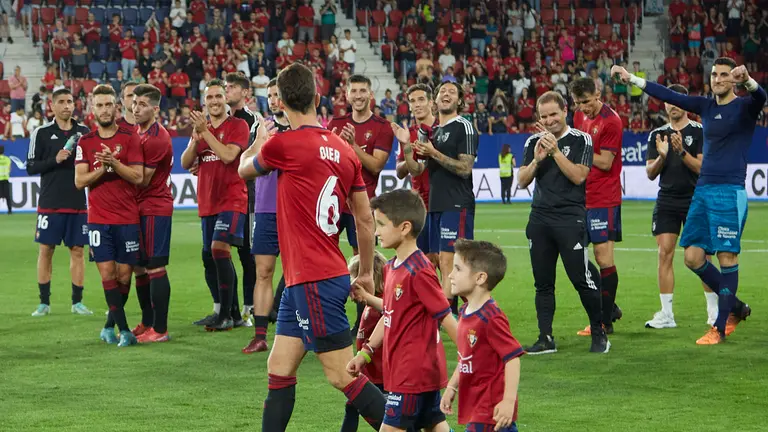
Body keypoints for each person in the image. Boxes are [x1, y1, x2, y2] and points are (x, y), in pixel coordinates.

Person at [238, 63, 386, 432]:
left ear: (281, 103)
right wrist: (367, 272)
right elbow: (364, 219)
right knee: (279, 367)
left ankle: (416, 427)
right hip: (312, 277)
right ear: (317, 99)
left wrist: (256, 142)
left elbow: (243, 170)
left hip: (313, 280)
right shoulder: (343, 149)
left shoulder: (282, 144)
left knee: (342, 375)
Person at [612, 58, 762, 344]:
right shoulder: (706, 106)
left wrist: (749, 81)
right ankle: (735, 306)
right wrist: (632, 78)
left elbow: (761, 97)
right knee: (692, 258)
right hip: (702, 192)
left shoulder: (745, 106)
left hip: (729, 191)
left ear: (733, 79)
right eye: (714, 74)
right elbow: (667, 94)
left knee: (726, 257)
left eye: (724, 75)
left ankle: (720, 326)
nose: (718, 79)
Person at [347, 189, 458, 432]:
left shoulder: (419, 270)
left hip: (412, 374)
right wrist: (365, 353)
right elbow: (390, 314)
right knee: (434, 425)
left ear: (405, 227)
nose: (376, 232)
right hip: (410, 372)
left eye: (381, 224)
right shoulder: (391, 268)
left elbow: (446, 317)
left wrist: (472, 354)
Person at [516, 91, 609, 354]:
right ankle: (545, 338)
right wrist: (537, 160)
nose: (549, 120)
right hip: (539, 219)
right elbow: (521, 181)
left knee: (581, 279)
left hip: (570, 219)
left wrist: (555, 152)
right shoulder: (533, 142)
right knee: (543, 283)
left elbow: (579, 176)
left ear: (565, 111)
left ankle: (599, 332)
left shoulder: (581, 139)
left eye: (553, 114)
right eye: (544, 116)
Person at [74, 84, 144, 347]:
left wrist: (114, 163)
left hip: (127, 218)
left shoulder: (131, 137)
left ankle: (107, 327)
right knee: (107, 274)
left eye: (108, 105)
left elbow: (138, 176)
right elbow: (80, 181)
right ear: (92, 109)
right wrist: (103, 169)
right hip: (98, 220)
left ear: (116, 107)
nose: (104, 110)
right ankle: (124, 331)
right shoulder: (86, 142)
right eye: (99, 105)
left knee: (124, 276)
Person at [180, 78, 250, 331]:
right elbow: (185, 162)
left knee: (219, 249)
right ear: (204, 101)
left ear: (225, 99)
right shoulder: (203, 129)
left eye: (219, 96)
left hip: (232, 198)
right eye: (209, 97)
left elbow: (229, 156)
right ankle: (227, 311)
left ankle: (226, 317)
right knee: (209, 256)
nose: (214, 101)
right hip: (207, 200)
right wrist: (195, 138)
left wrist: (206, 133)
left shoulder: (238, 125)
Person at [328, 74, 394, 336]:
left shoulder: (382, 127)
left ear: (371, 95)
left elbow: (376, 165)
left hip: (363, 205)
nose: (357, 95)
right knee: (328, 257)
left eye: (362, 91)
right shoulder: (335, 123)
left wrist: (352, 145)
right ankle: (331, 316)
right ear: (347, 95)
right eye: (353, 91)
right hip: (335, 202)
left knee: (364, 263)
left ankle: (364, 321)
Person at [644, 84, 715, 329]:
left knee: (702, 256)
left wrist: (681, 151)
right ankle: (666, 314)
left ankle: (713, 313)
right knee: (664, 253)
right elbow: (650, 173)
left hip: (696, 199)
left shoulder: (700, 131)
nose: (672, 106)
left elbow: (702, 168)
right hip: (667, 199)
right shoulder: (657, 135)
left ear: (685, 104)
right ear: (664, 105)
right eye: (669, 102)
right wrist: (663, 156)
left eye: (677, 101)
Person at [440, 239, 523, 432]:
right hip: (477, 407)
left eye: (458, 269)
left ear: (480, 278)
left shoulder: (491, 317)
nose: (450, 275)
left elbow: (513, 359)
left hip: (490, 411)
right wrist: (452, 387)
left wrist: (508, 401)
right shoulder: (465, 311)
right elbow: (466, 357)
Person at [413, 81, 478, 316]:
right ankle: (466, 311)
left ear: (459, 101)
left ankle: (447, 317)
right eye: (442, 91)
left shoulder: (464, 126)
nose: (446, 94)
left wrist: (434, 153)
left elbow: (465, 168)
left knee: (451, 261)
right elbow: (418, 169)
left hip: (456, 203)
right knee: (440, 261)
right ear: (436, 100)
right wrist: (410, 148)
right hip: (436, 204)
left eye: (452, 92)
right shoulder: (435, 132)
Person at [27, 88, 92, 317]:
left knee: (78, 251)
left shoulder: (84, 132)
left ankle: (77, 302)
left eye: (70, 101)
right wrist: (54, 160)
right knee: (46, 250)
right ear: (52, 106)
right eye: (62, 102)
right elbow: (30, 166)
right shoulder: (41, 133)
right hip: (50, 203)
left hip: (77, 202)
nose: (66, 106)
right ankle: (44, 303)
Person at [242, 79, 292, 354]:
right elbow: (247, 162)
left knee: (298, 271)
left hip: (295, 209)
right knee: (263, 271)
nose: (273, 100)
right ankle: (260, 336)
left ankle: (297, 329)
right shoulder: (261, 127)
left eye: (277, 95)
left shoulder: (301, 127)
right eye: (270, 95)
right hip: (265, 208)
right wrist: (261, 142)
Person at [571, 77, 624, 336]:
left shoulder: (611, 121)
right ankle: (610, 307)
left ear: (598, 94)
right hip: (581, 195)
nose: (584, 107)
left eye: (587, 101)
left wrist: (579, 149)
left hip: (604, 197)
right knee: (575, 256)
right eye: (579, 103)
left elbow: (605, 162)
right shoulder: (578, 116)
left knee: (603, 258)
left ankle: (604, 321)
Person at [130, 84, 174, 343]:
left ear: (155, 109)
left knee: (155, 266)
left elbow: (143, 179)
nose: (136, 108)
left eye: (142, 104)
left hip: (155, 207)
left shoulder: (157, 137)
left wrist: (113, 167)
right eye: (134, 103)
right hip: (138, 206)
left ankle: (160, 329)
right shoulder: (137, 132)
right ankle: (147, 322)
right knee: (139, 267)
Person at [339, 251, 392, 432]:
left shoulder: (383, 302)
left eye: (356, 286)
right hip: (368, 373)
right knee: (352, 406)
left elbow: (391, 311)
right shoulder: (369, 306)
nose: (352, 292)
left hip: (383, 377)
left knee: (388, 420)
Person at [392, 83, 440, 268]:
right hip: (420, 206)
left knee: (444, 260)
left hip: (443, 202)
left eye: (421, 99)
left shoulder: (443, 129)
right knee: (426, 261)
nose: (417, 104)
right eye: (412, 101)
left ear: (431, 103)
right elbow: (399, 171)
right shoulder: (408, 134)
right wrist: (408, 153)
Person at [225, 72, 259, 327]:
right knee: (218, 252)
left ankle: (249, 307)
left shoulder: (253, 121)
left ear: (245, 92)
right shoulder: (219, 119)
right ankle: (227, 309)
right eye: (226, 86)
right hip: (222, 195)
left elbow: (250, 155)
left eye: (232, 87)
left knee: (248, 254)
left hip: (247, 195)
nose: (227, 90)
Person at [0, 145, 10, 214]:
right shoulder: (7, 159)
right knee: (7, 196)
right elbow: (9, 169)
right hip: (5, 179)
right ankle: (10, 210)